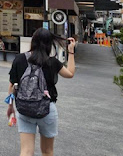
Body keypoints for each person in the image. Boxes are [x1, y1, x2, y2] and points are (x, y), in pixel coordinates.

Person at [7, 28, 76, 156]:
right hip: (47, 110)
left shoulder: (19, 59)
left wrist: (10, 106)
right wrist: (71, 52)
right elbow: (70, 73)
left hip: (24, 108)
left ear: (33, 41)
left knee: (26, 151)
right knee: (47, 151)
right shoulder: (52, 62)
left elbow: (12, 85)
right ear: (49, 44)